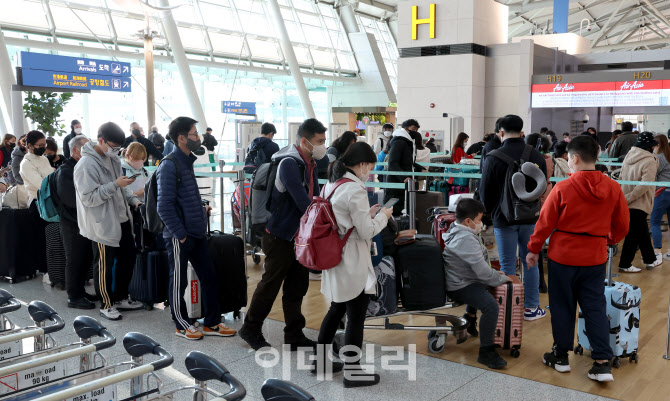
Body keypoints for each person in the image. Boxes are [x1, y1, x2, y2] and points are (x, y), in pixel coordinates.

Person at [526, 135, 629, 383]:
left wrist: (533, 248)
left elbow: (545, 223)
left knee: (562, 306)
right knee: (594, 307)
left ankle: (560, 356)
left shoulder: (563, 187)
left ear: (574, 158)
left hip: (563, 256)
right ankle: (602, 363)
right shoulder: (613, 187)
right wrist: (609, 240)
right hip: (594, 256)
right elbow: (623, 224)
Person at [239, 118, 326, 351]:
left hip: (299, 236)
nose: (323, 146)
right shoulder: (289, 163)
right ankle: (250, 328)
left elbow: (314, 199)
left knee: (297, 286)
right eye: (319, 141)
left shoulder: (311, 164)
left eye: (324, 141)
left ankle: (294, 334)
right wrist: (324, 219)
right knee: (270, 284)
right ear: (305, 141)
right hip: (280, 235)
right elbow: (303, 201)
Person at [315, 142, 392, 387]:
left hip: (334, 256)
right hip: (351, 260)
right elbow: (366, 231)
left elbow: (344, 219)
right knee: (355, 316)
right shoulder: (355, 190)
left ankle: (320, 363)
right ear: (361, 165)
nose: (370, 170)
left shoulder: (331, 184)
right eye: (370, 166)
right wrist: (382, 216)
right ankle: (353, 372)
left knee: (336, 309)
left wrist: (367, 213)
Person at [157, 117, 236, 340]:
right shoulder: (169, 164)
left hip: (197, 232)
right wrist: (180, 235)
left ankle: (212, 322)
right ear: (181, 138)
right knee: (179, 281)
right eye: (194, 134)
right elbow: (164, 206)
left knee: (209, 277)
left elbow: (185, 198)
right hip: (180, 235)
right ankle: (181, 323)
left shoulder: (186, 161)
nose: (198, 138)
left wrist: (202, 209)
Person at [479, 114, 547, 321]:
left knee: (507, 265)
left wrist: (490, 214)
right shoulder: (535, 155)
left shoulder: (492, 157)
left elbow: (485, 193)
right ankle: (531, 308)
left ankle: (508, 308)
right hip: (530, 217)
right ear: (522, 131)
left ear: (500, 132)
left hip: (503, 219)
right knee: (531, 261)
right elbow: (543, 184)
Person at [74, 122, 144, 320]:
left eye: (118, 148)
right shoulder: (86, 165)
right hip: (101, 222)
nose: (115, 151)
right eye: (112, 146)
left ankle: (121, 297)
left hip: (121, 218)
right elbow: (89, 198)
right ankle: (106, 304)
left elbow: (122, 187)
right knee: (104, 264)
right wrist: (115, 185)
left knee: (127, 259)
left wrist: (133, 200)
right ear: (101, 140)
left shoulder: (113, 160)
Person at [443, 198, 510, 369]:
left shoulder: (456, 230)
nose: (480, 224)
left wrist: (493, 275)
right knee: (491, 306)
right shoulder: (466, 238)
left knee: (486, 283)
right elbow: (481, 271)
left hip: (461, 279)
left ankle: (470, 319)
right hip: (460, 285)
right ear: (468, 221)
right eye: (479, 220)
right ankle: (486, 352)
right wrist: (501, 278)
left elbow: (479, 269)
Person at [54, 135, 96, 309]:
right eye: (86, 148)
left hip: (83, 220)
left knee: (85, 257)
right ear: (75, 150)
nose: (90, 151)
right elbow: (70, 199)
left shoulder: (81, 166)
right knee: (74, 258)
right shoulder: (65, 170)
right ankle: (73, 296)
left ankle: (80, 291)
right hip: (71, 222)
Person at [618, 132, 660, 272]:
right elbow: (645, 184)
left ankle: (650, 259)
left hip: (626, 199)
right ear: (649, 146)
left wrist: (625, 197)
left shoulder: (629, 156)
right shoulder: (650, 160)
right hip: (639, 201)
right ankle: (624, 264)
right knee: (633, 235)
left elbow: (622, 176)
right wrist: (630, 197)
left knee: (641, 232)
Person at [384, 119, 421, 216]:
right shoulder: (399, 142)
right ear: (405, 129)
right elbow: (392, 163)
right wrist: (404, 177)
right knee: (392, 211)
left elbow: (406, 161)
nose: (415, 132)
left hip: (402, 182)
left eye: (416, 130)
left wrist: (419, 168)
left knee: (399, 209)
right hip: (396, 182)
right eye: (413, 129)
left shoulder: (407, 142)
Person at [19, 130, 53, 202]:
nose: (43, 148)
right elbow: (41, 185)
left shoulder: (44, 158)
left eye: (44, 145)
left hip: (50, 197)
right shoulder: (26, 163)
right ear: (30, 145)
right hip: (38, 201)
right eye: (40, 145)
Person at [651, 134, 670, 262]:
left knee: (654, 222)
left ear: (658, 145)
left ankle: (657, 252)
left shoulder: (658, 158)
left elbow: (653, 174)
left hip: (662, 192)